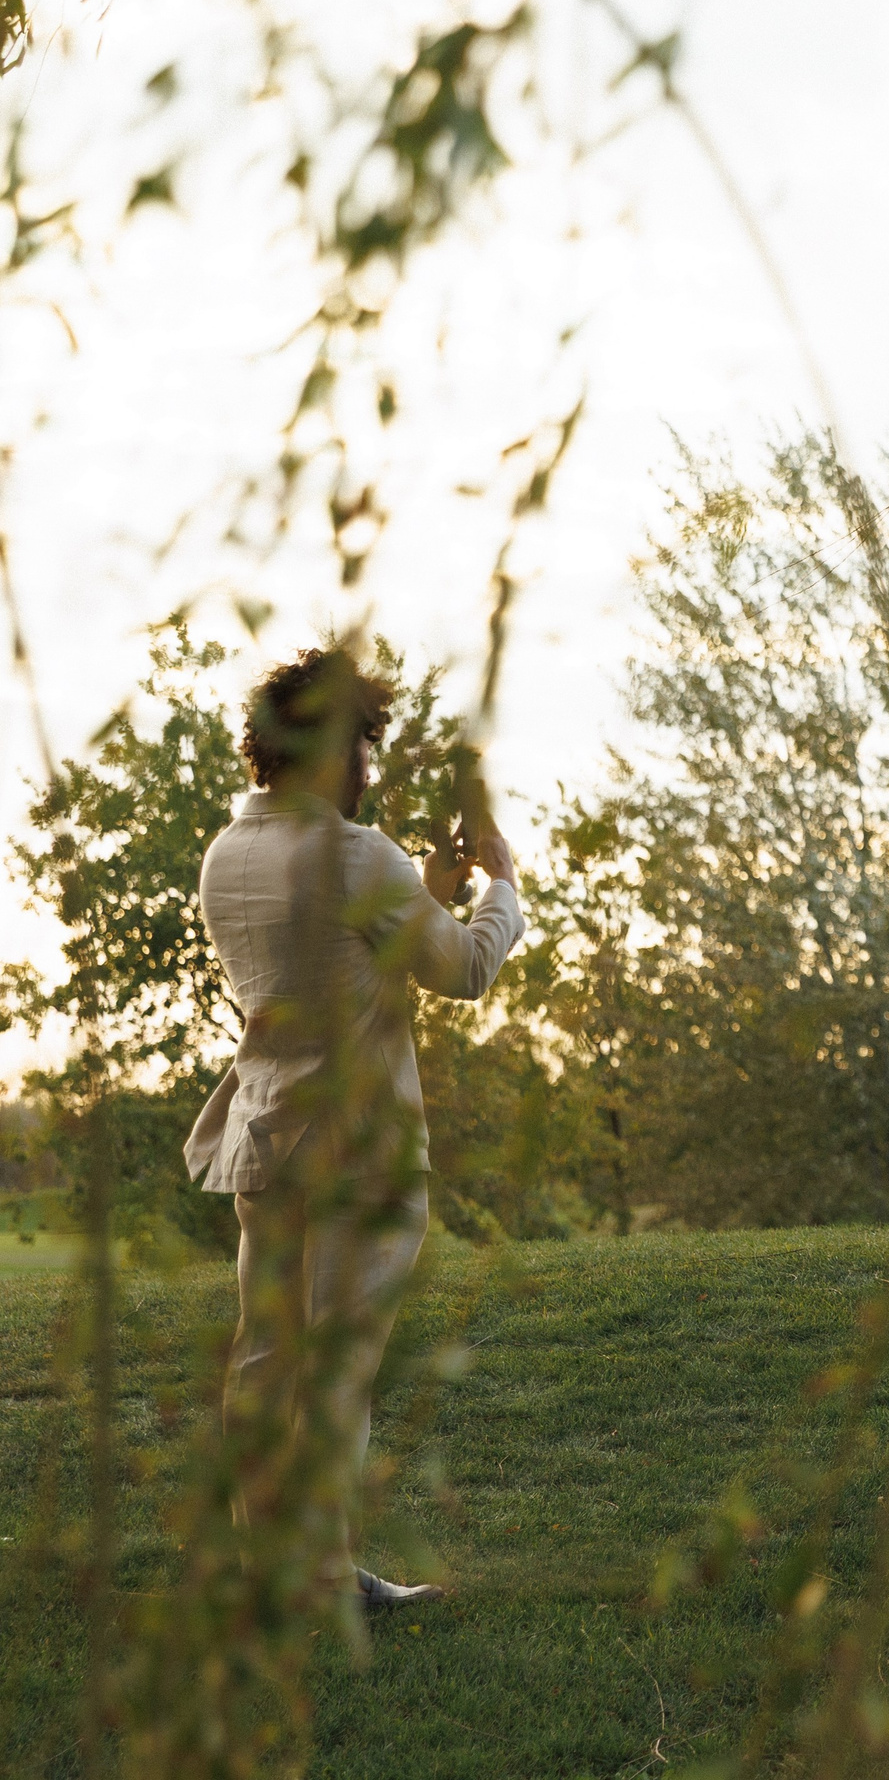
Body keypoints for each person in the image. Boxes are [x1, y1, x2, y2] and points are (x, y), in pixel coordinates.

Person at [188, 646, 523, 1610]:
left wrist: (426, 886)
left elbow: (337, 955)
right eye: (364, 745)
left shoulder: (229, 855)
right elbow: (458, 970)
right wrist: (500, 885)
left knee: (265, 1363)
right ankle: (326, 1583)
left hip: (266, 1137)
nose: (369, 766)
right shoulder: (351, 853)